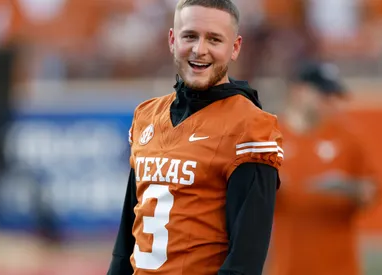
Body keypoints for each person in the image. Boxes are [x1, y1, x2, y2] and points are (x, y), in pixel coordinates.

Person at [107, 0, 284, 274]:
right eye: (190, 36)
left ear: (234, 47)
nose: (200, 50)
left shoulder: (249, 125)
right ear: (172, 39)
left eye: (214, 39)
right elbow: (126, 240)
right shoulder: (147, 115)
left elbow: (245, 260)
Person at [265, 61, 379, 275]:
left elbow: (370, 192)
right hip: (288, 266)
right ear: (299, 91)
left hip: (340, 268)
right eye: (323, 95)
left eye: (333, 96)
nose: (330, 103)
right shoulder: (269, 136)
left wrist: (346, 188)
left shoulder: (348, 138)